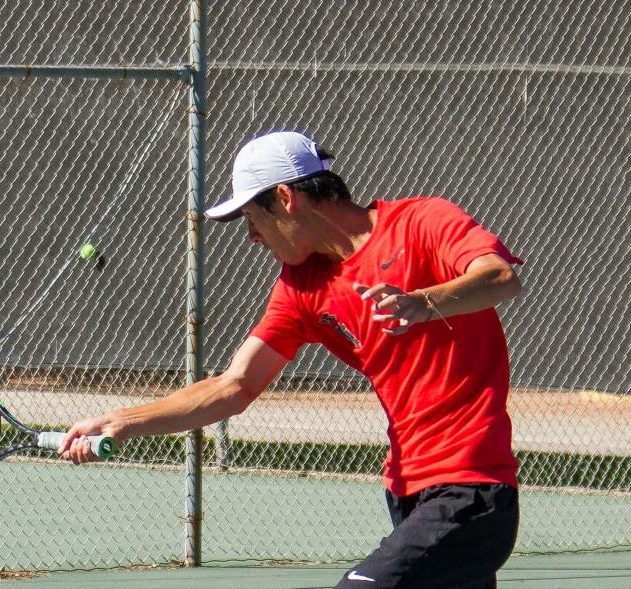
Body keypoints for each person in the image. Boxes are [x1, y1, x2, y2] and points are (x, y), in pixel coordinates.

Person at [59, 130, 523, 588]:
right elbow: (233, 386)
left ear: (285, 198)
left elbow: (499, 276)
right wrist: (121, 420)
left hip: (471, 487)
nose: (251, 237)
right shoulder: (300, 288)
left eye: (252, 218)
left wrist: (422, 302)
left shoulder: (422, 222)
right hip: (406, 491)